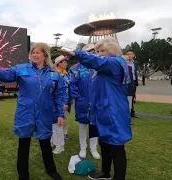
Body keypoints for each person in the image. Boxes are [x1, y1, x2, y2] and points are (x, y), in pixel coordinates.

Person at [0, 42, 65, 180]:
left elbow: (59, 95)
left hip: (44, 113)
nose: (34, 55)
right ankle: (23, 174)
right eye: (33, 52)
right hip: (25, 113)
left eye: (37, 52)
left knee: (45, 143)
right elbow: (5, 76)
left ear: (45, 55)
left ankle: (51, 170)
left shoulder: (54, 74)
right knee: (24, 144)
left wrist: (60, 114)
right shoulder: (21, 69)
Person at [59, 37, 132, 180]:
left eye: (102, 50)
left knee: (116, 148)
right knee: (104, 143)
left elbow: (97, 61)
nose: (98, 53)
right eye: (97, 50)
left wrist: (77, 53)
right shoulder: (102, 68)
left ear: (112, 50)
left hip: (114, 112)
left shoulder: (116, 63)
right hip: (103, 111)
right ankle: (105, 173)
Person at [69, 44, 100, 160]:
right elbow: (72, 84)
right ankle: (83, 147)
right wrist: (78, 98)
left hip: (96, 102)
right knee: (82, 125)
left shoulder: (98, 67)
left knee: (94, 125)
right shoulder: (75, 68)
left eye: (93, 51)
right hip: (82, 101)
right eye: (89, 52)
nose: (92, 53)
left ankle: (93, 148)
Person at [51, 55, 70, 154]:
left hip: (60, 101)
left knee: (59, 122)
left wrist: (65, 102)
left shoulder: (64, 74)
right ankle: (54, 141)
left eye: (66, 62)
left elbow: (64, 91)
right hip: (52, 102)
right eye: (64, 62)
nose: (66, 64)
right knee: (52, 123)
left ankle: (60, 145)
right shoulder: (55, 74)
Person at [126, 50, 139, 118]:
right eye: (128, 54)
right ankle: (127, 112)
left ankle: (132, 112)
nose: (129, 55)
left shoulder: (135, 63)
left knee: (132, 97)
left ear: (133, 55)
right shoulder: (124, 63)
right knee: (127, 97)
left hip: (133, 81)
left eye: (131, 54)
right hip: (126, 82)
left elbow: (135, 72)